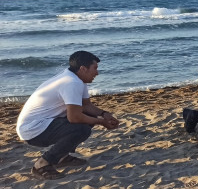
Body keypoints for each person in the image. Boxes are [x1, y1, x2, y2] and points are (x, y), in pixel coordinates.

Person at [16, 51, 120, 180]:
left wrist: (104, 114)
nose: (97, 73)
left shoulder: (77, 79)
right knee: (82, 129)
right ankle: (42, 164)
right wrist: (101, 122)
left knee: (86, 119)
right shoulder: (71, 82)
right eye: (95, 68)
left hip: (46, 122)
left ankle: (62, 157)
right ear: (83, 68)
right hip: (33, 130)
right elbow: (74, 117)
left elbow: (86, 106)